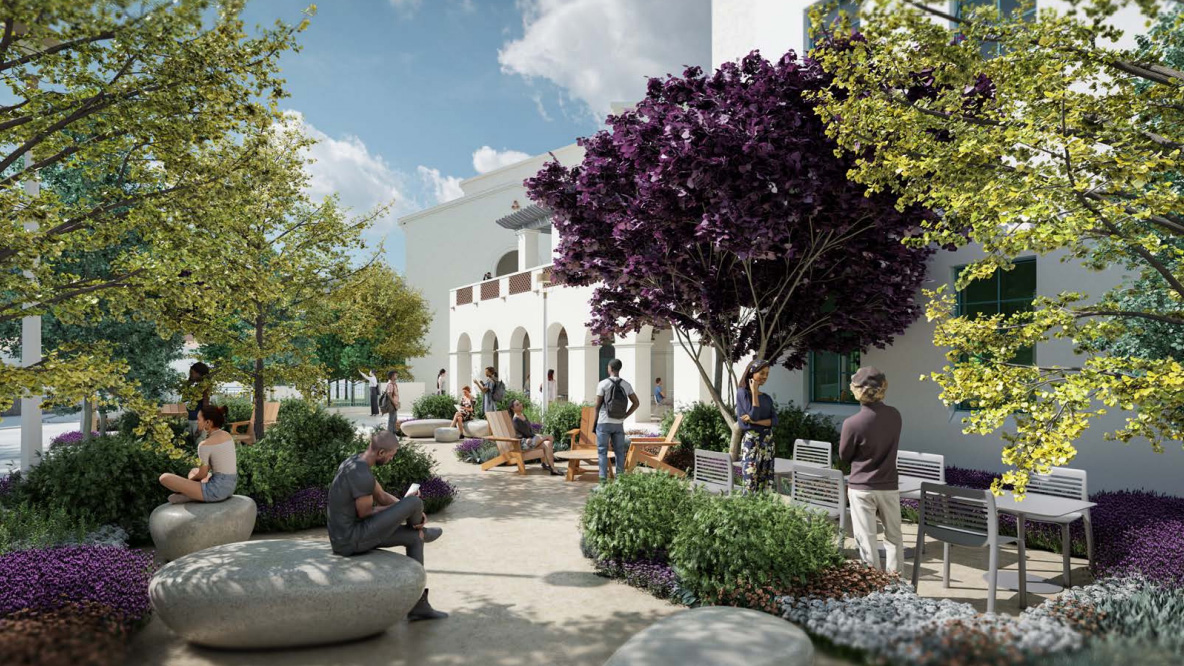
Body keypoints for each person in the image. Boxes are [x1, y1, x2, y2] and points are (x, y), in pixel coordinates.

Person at [327, 430, 447, 621]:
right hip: (350, 539)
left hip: (350, 534)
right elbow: (366, 512)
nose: (392, 459)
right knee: (415, 502)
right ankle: (421, 528)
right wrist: (408, 507)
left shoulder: (355, 461)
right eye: (391, 455)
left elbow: (381, 496)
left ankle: (419, 605)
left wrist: (403, 507)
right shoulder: (361, 474)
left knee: (415, 538)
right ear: (381, 452)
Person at [839, 366, 904, 575]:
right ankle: (897, 583)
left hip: (861, 487)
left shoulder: (852, 424)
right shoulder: (895, 416)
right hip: (888, 485)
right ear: (883, 388)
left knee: (866, 539)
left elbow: (844, 456)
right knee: (894, 537)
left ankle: (873, 583)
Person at [159, 404, 237, 504]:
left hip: (216, 490)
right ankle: (193, 494)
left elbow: (203, 474)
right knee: (193, 471)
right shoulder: (227, 435)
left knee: (164, 477)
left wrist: (188, 483)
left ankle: (192, 495)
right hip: (230, 486)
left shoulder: (204, 445)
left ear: (208, 422)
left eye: (199, 419)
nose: (197, 422)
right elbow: (210, 467)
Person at [594, 359, 639, 481]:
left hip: (604, 422)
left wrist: (595, 422)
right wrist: (625, 415)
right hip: (618, 423)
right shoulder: (626, 384)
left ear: (610, 368)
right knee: (619, 452)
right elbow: (636, 403)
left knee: (602, 452)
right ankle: (620, 480)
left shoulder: (603, 384)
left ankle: (603, 481)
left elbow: (597, 406)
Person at [736, 359, 777, 493]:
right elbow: (754, 415)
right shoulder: (742, 393)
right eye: (762, 373)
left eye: (767, 374)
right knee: (750, 484)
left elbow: (774, 421)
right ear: (752, 373)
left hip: (767, 443)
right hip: (751, 443)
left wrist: (755, 422)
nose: (765, 377)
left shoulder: (767, 398)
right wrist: (754, 392)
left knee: (766, 484)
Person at [510, 399, 563, 475]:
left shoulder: (523, 415)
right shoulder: (516, 420)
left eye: (520, 403)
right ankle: (547, 456)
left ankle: (552, 468)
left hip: (531, 440)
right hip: (523, 443)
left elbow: (530, 430)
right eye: (517, 405)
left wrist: (537, 436)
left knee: (547, 443)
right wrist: (539, 436)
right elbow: (526, 433)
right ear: (513, 408)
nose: (520, 405)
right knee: (547, 437)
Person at [185, 362, 211, 442]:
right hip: (191, 420)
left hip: (198, 422)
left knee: (198, 443)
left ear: (199, 374)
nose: (190, 375)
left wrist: (200, 427)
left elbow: (205, 406)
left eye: (192, 373)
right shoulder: (194, 387)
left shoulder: (204, 387)